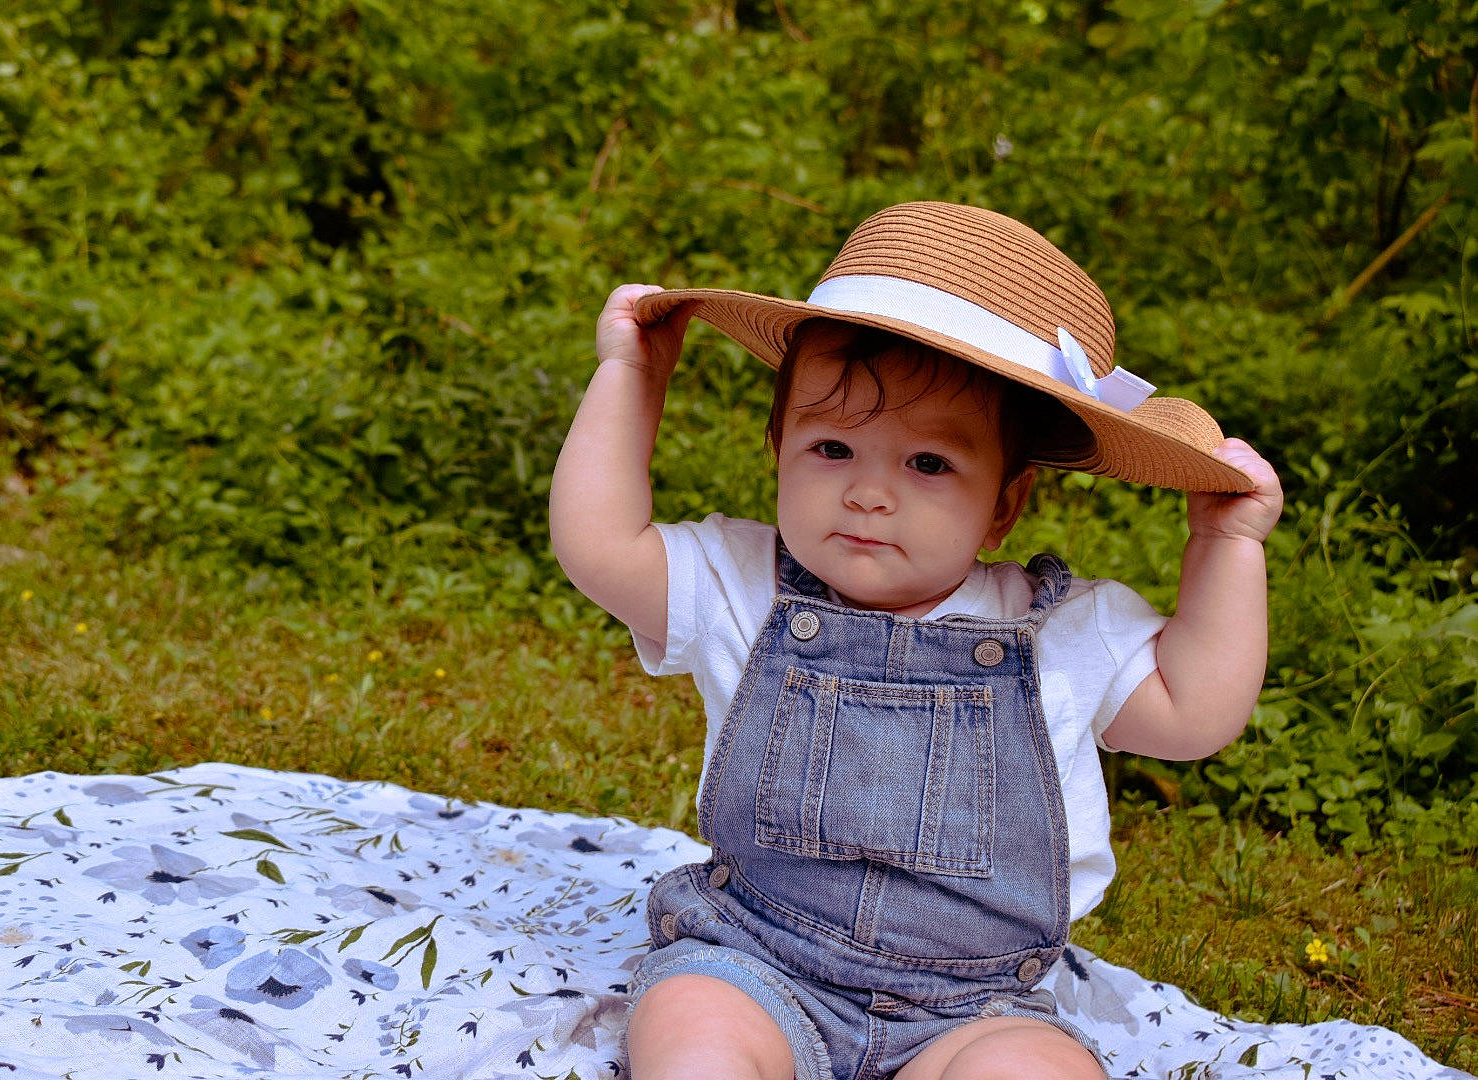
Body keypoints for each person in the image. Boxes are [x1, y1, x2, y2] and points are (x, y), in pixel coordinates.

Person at [548, 202, 1283, 1080]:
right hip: (756, 961)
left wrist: (1225, 547)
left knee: (1035, 1073)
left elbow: (1196, 711)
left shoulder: (1060, 632)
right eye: (831, 448)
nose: (868, 493)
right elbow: (596, 546)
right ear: (778, 447)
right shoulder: (741, 586)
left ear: (1003, 505)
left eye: (928, 464)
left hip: (977, 1007)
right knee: (694, 1039)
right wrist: (630, 378)